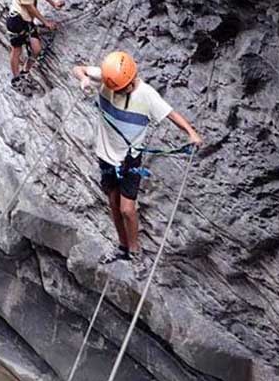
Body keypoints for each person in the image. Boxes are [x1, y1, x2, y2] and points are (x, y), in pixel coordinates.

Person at [73, 51, 203, 263]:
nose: (119, 91)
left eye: (123, 88)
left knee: (128, 210)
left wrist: (191, 133)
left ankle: (135, 250)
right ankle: (122, 247)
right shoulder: (107, 78)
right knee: (114, 203)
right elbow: (78, 69)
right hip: (105, 154)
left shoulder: (146, 95)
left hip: (129, 158)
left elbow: (171, 114)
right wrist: (84, 79)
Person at [7, 0, 64, 83]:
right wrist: (46, 22)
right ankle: (16, 79)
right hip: (17, 20)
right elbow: (30, 8)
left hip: (27, 21)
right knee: (17, 50)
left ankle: (25, 72)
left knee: (37, 49)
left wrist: (53, 3)